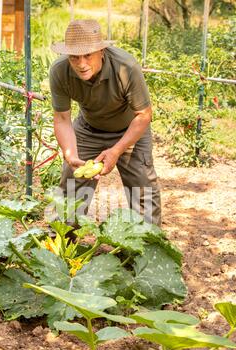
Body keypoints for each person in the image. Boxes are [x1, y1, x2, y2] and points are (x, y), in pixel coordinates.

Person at [49, 19, 161, 226]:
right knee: (71, 183)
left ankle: (145, 247)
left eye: (87, 55)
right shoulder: (59, 71)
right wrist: (70, 153)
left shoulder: (125, 67)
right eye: (74, 57)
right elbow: (62, 118)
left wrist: (117, 150)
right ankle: (61, 244)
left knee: (142, 187)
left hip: (131, 128)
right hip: (88, 128)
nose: (81, 64)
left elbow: (144, 114)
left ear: (101, 51)